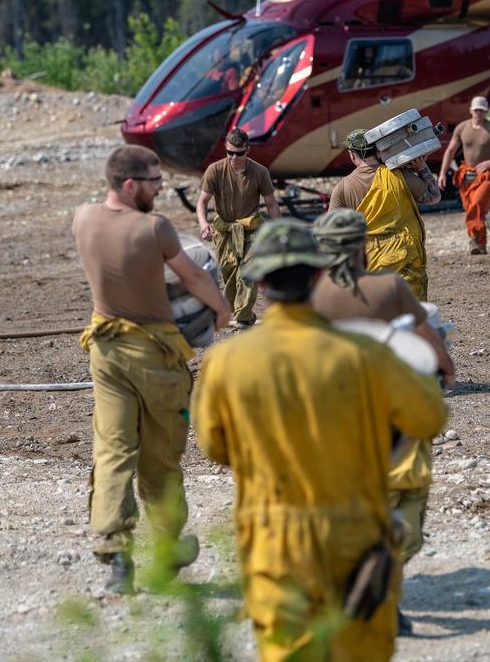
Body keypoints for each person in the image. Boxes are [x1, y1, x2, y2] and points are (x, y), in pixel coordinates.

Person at [194, 219, 448, 661]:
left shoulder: (226, 361)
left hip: (273, 537)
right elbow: (429, 416)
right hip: (356, 531)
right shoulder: (365, 353)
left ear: (259, 282)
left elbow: (214, 446)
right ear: (316, 274)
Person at [72, 145, 232, 594]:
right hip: (156, 356)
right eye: (154, 182)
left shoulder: (82, 218)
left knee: (113, 450)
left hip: (106, 352)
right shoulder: (155, 228)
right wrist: (222, 311)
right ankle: (166, 550)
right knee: (160, 458)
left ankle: (116, 556)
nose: (160, 189)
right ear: (130, 185)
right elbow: (193, 277)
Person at [308, 208, 456, 637]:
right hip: (390, 419)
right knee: (404, 505)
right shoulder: (389, 287)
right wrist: (445, 373)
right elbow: (429, 341)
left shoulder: (306, 296)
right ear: (362, 246)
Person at [329, 129, 441, 298]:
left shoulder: (343, 187)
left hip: (370, 259)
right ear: (378, 150)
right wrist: (420, 166)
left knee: (379, 308)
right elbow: (433, 197)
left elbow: (332, 231)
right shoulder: (398, 175)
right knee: (412, 310)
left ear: (352, 154)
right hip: (406, 255)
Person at [197, 129, 281, 327]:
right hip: (225, 230)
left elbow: (271, 204)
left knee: (248, 272)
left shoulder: (259, 172)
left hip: (251, 228)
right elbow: (202, 201)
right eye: (230, 152)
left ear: (247, 150)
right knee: (229, 274)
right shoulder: (215, 170)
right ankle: (236, 313)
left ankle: (243, 316)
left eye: (239, 153)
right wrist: (203, 223)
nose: (234, 158)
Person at [435, 96, 490, 254]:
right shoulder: (462, 127)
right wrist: (442, 173)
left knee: (477, 204)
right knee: (471, 208)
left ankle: (475, 241)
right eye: (476, 110)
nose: (479, 113)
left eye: (482, 110)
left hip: (487, 175)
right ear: (471, 111)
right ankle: (479, 243)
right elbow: (450, 151)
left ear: (486, 111)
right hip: (466, 174)